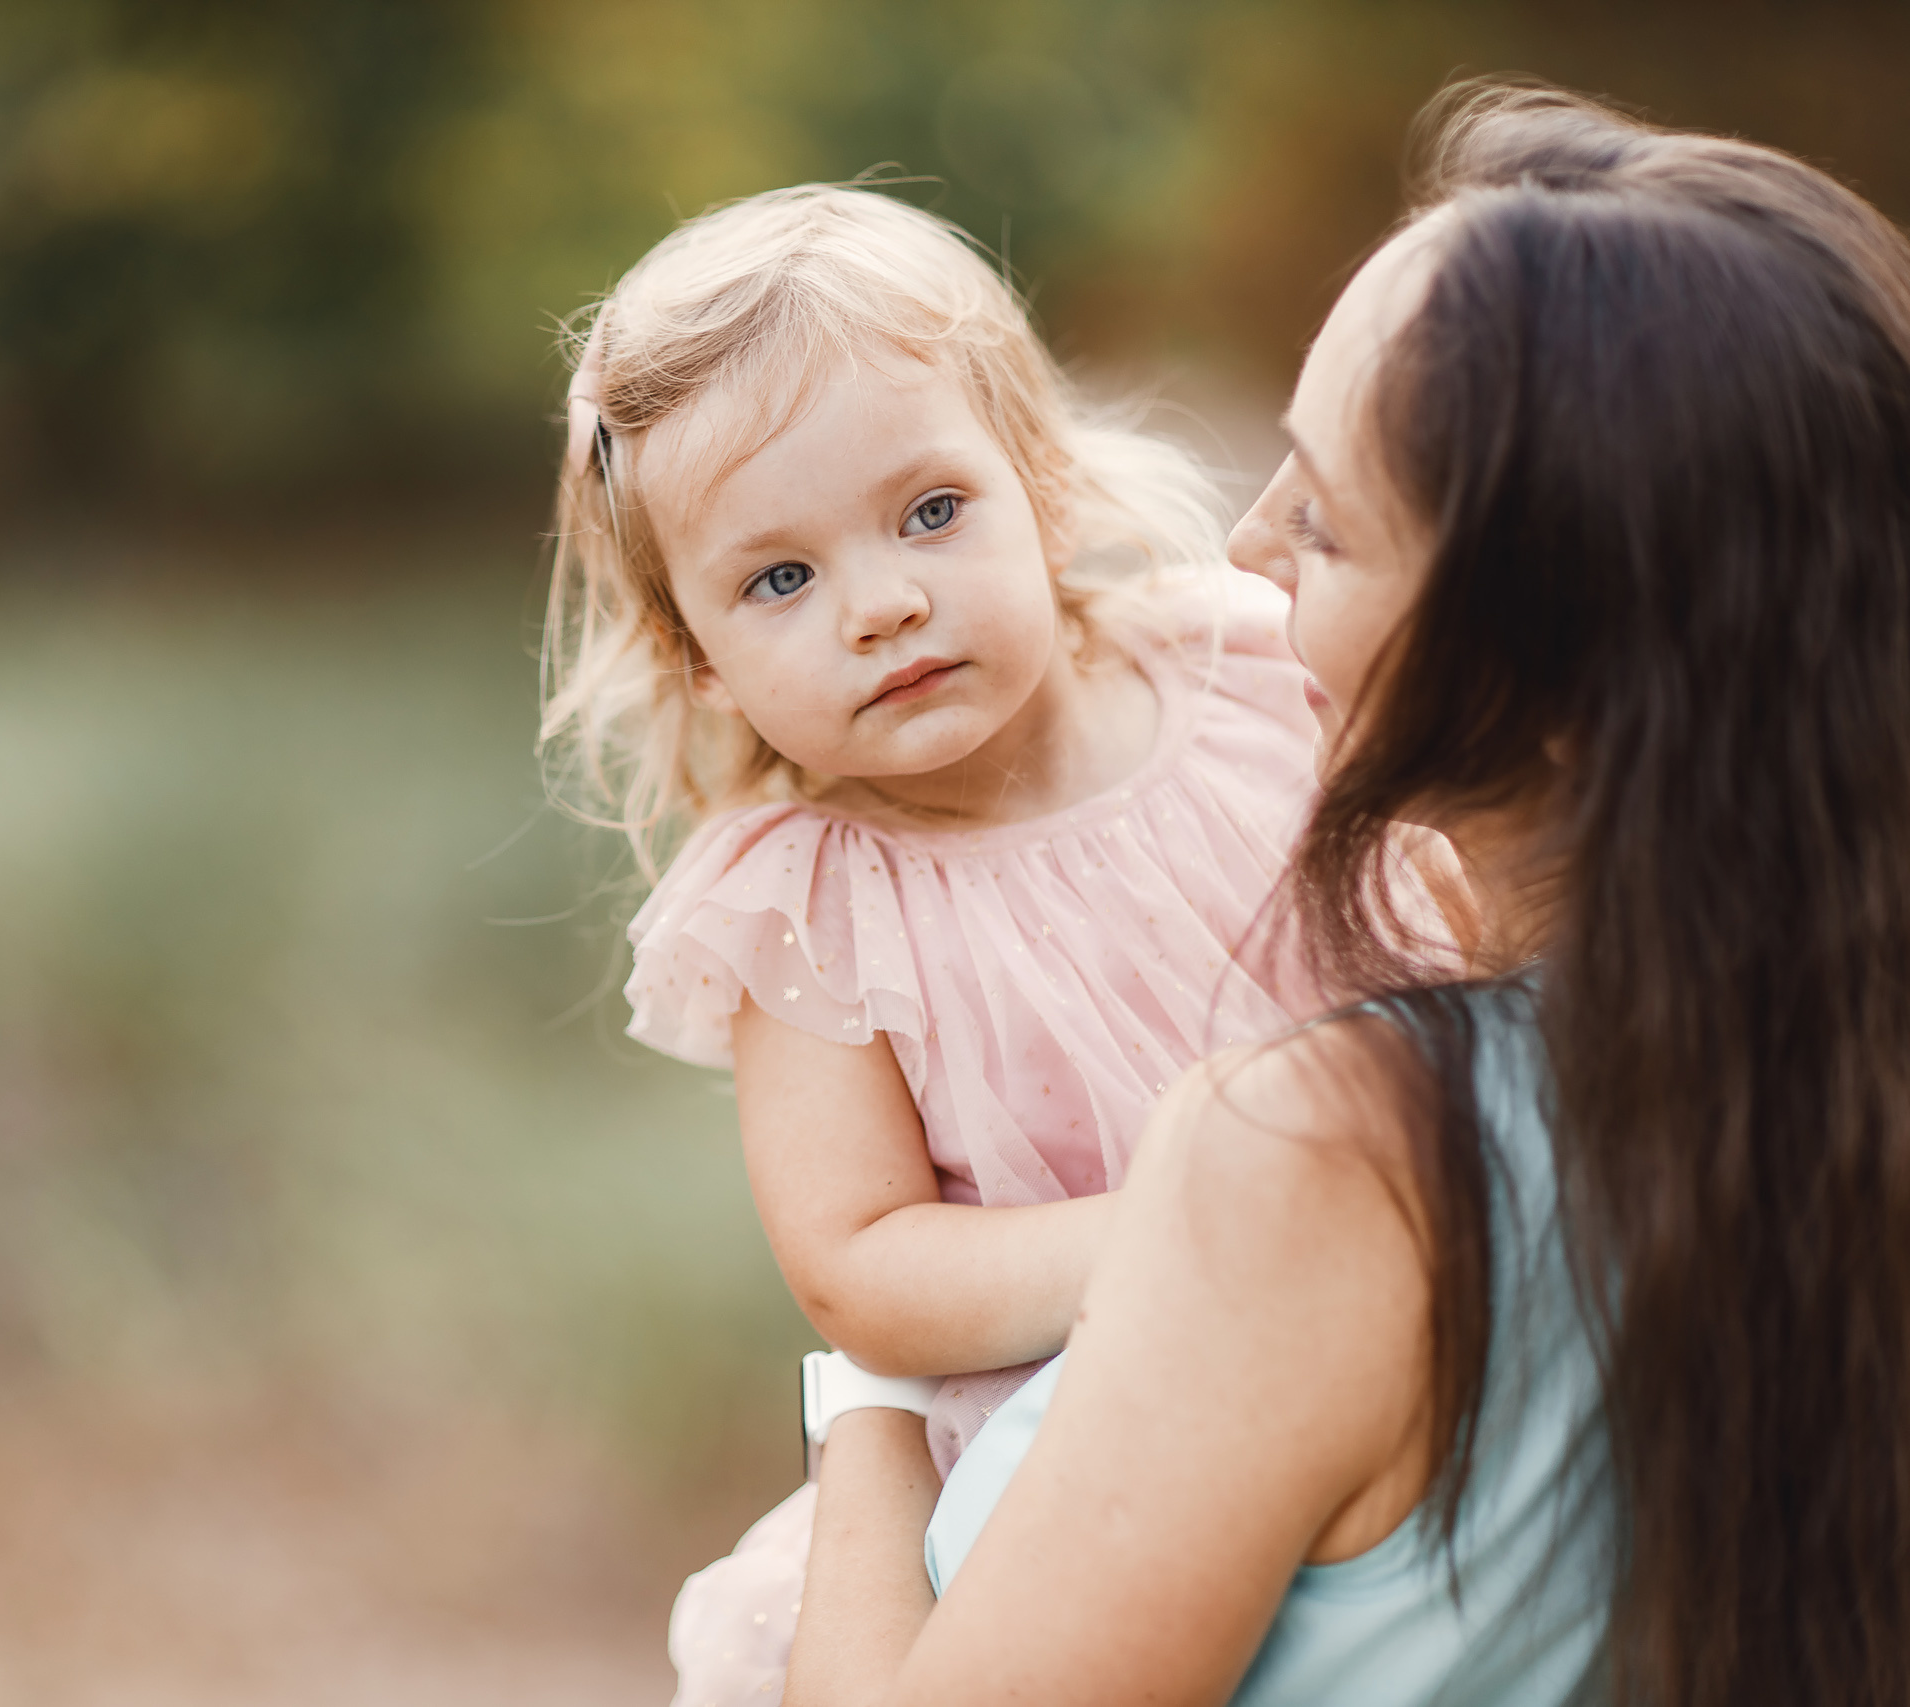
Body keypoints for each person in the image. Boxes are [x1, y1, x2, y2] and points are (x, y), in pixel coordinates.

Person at [787, 81, 1910, 1707]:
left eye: (1320, 519)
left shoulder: (1330, 1163)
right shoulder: (1821, 1071)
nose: (1245, 550)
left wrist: (866, 1418)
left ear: (1545, 674)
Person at [539, 184, 1361, 1706]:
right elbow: (865, 1268)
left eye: (930, 512)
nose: (883, 605)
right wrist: (1193, 1222)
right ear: (698, 661)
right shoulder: (811, 906)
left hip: (1386, 1311)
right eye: (780, 579)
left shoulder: (1243, 664)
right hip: (1077, 1443)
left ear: (1040, 489)